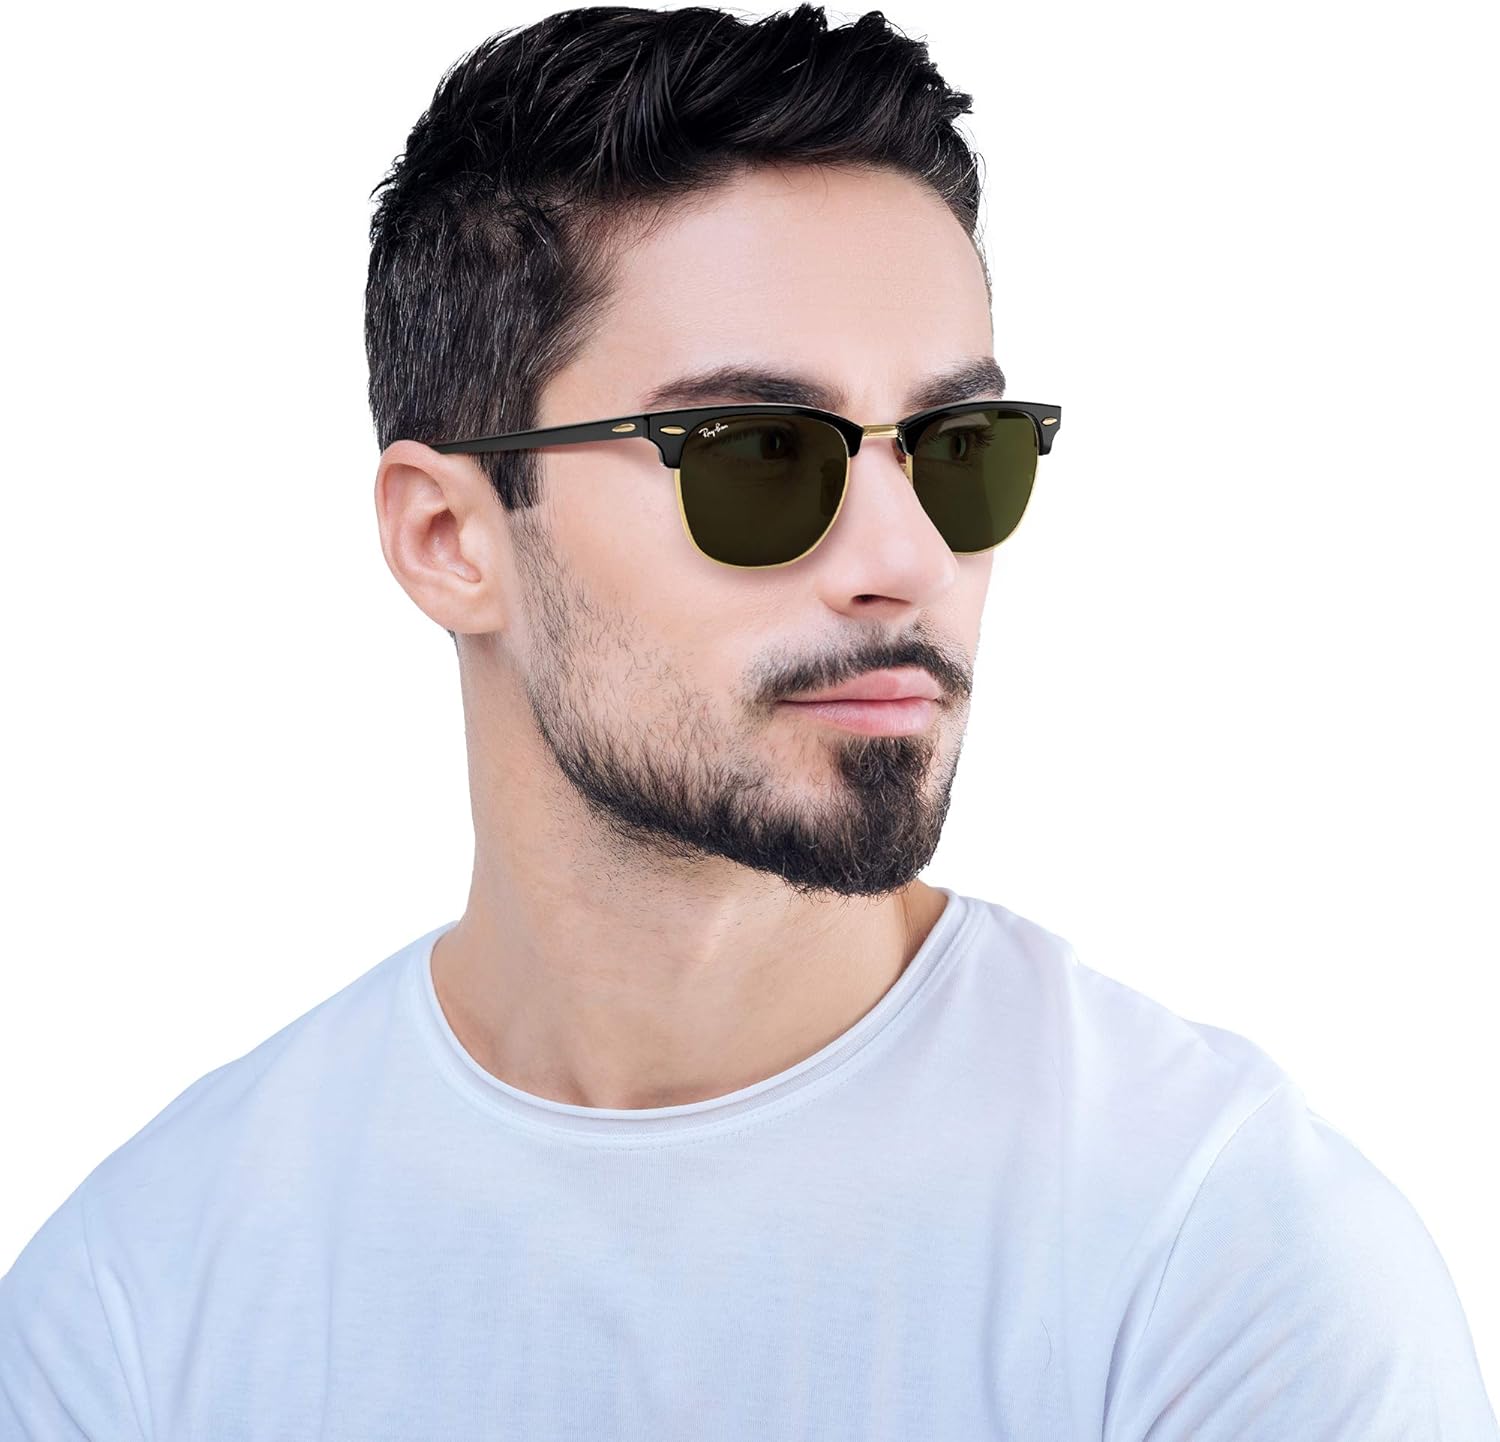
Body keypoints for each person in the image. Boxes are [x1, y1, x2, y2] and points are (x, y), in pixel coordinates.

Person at [2, 5, 1494, 1437]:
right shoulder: (142, 1303)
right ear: (450, 538)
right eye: (759, 455)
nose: (908, 558)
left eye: (958, 450)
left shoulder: (1221, 1267)